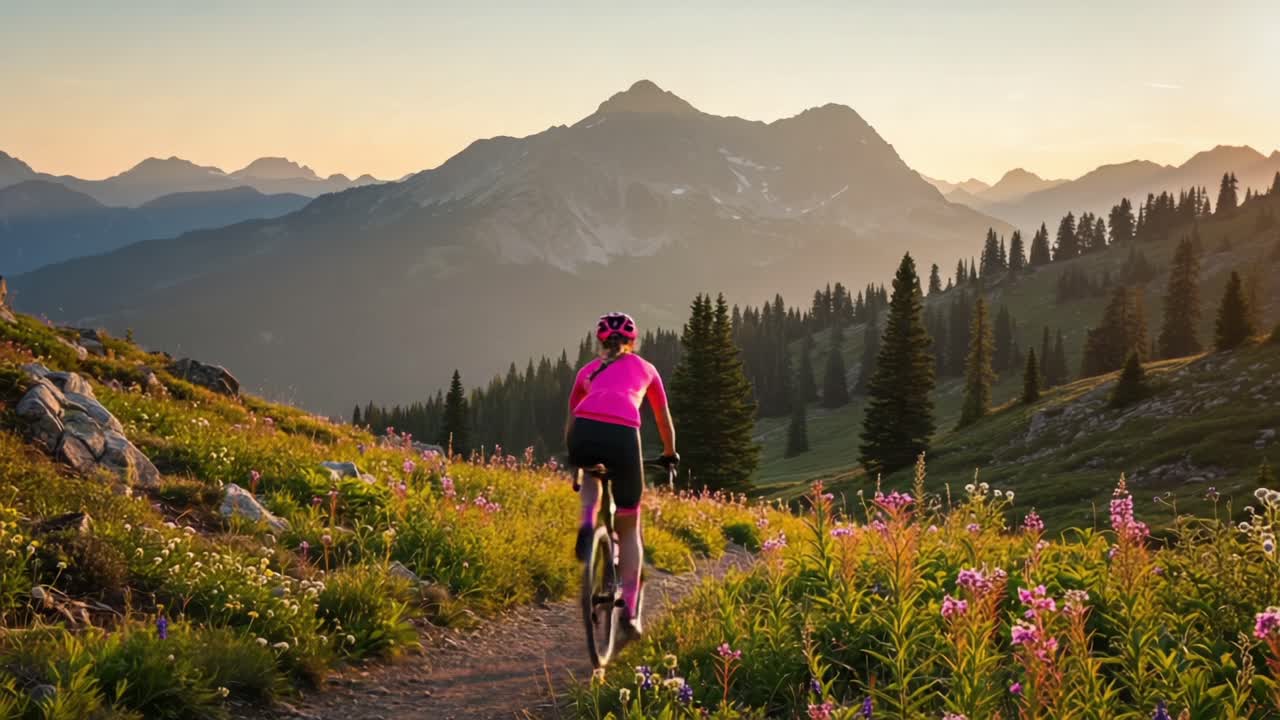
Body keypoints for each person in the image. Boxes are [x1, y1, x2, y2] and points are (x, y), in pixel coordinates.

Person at [565, 311, 677, 641]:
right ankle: (630, 609)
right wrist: (670, 455)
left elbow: (571, 419)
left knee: (590, 472)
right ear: (633, 341)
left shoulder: (587, 371)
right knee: (629, 525)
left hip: (584, 433)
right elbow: (663, 419)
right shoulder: (647, 369)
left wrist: (575, 457)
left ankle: (588, 521)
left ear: (601, 342)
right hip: (624, 435)